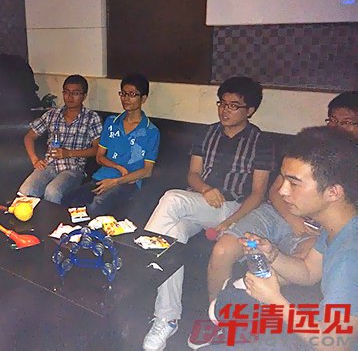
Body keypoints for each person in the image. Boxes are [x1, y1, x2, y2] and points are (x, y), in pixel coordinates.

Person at [206, 90, 358, 337]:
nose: (282, 191)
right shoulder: (336, 229)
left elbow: (333, 342)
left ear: (333, 192)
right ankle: (221, 322)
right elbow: (309, 271)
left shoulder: (350, 256)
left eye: (294, 183)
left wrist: (276, 302)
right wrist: (273, 254)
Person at [142, 76, 274, 351]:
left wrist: (229, 222)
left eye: (233, 106)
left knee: (172, 198)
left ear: (249, 110)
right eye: (222, 103)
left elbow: (258, 193)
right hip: (201, 201)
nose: (225, 110)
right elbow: (193, 174)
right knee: (173, 233)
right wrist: (205, 189)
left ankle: (145, 257)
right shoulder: (207, 133)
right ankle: (167, 318)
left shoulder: (261, 142)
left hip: (233, 207)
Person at [61, 73, 160, 216]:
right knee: (68, 200)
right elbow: (99, 157)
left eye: (132, 94)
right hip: (101, 178)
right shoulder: (111, 122)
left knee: (97, 204)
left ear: (143, 98)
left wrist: (116, 181)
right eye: (123, 94)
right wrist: (118, 167)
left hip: (127, 183)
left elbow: (147, 170)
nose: (126, 98)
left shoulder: (151, 131)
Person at [18, 74, 102, 204]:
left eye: (75, 93)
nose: (70, 96)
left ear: (84, 96)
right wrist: (35, 160)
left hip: (73, 169)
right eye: (67, 92)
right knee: (26, 191)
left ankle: (53, 218)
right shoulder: (52, 114)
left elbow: (97, 149)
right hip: (49, 165)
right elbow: (29, 137)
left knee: (52, 191)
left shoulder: (91, 118)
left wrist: (69, 153)